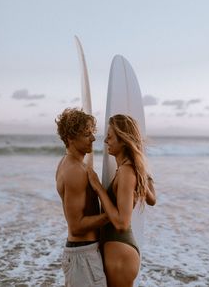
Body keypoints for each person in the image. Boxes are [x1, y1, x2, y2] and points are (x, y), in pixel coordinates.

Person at [87, 114, 156, 287]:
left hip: (121, 254)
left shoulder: (126, 171)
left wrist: (98, 188)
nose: (105, 141)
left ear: (123, 140)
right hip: (120, 252)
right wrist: (145, 174)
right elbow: (152, 200)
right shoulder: (130, 169)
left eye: (110, 137)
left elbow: (121, 223)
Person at [55, 108, 108, 287]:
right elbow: (76, 226)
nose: (93, 139)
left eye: (92, 133)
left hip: (81, 254)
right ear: (70, 138)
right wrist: (112, 216)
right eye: (87, 134)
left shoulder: (70, 163)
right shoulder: (75, 171)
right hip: (83, 256)